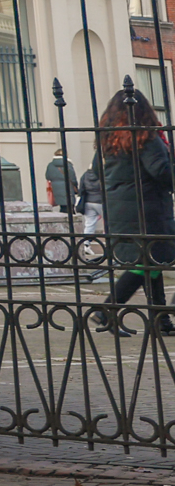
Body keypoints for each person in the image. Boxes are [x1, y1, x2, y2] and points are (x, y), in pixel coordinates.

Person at [92, 85, 175, 336]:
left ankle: (161, 322)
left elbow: (97, 171)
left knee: (152, 262)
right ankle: (106, 309)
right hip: (147, 208)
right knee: (146, 262)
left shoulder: (108, 138)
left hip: (120, 209)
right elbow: (161, 172)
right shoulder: (145, 136)